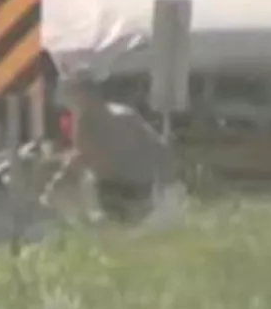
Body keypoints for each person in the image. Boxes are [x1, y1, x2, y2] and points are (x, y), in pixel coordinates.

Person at [58, 71, 184, 223]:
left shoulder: (117, 118)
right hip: (121, 187)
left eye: (75, 95)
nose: (72, 102)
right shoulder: (92, 122)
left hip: (131, 187)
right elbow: (156, 144)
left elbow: (155, 145)